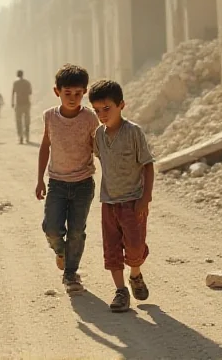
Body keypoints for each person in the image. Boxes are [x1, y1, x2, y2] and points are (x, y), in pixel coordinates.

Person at [88, 79, 155, 313]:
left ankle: (135, 274)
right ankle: (121, 291)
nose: (102, 115)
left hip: (133, 201)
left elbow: (147, 165)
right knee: (112, 249)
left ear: (121, 105)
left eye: (107, 108)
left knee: (135, 247)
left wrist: (145, 198)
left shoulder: (134, 132)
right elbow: (100, 158)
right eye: (97, 111)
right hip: (108, 202)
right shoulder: (98, 134)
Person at [35, 64, 99, 294]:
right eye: (67, 93)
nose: (73, 98)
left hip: (83, 183)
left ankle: (71, 274)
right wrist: (40, 179)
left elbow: (97, 147)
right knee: (51, 228)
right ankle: (61, 251)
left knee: (76, 231)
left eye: (78, 94)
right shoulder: (50, 117)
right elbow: (45, 146)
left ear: (84, 93)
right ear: (57, 92)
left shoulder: (90, 118)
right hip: (57, 183)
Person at [12, 69, 33, 144]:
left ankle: (20, 137)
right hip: (26, 103)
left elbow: (13, 93)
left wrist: (12, 103)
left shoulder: (15, 83)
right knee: (27, 121)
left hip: (18, 103)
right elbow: (30, 92)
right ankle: (27, 137)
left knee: (19, 121)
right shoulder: (27, 82)